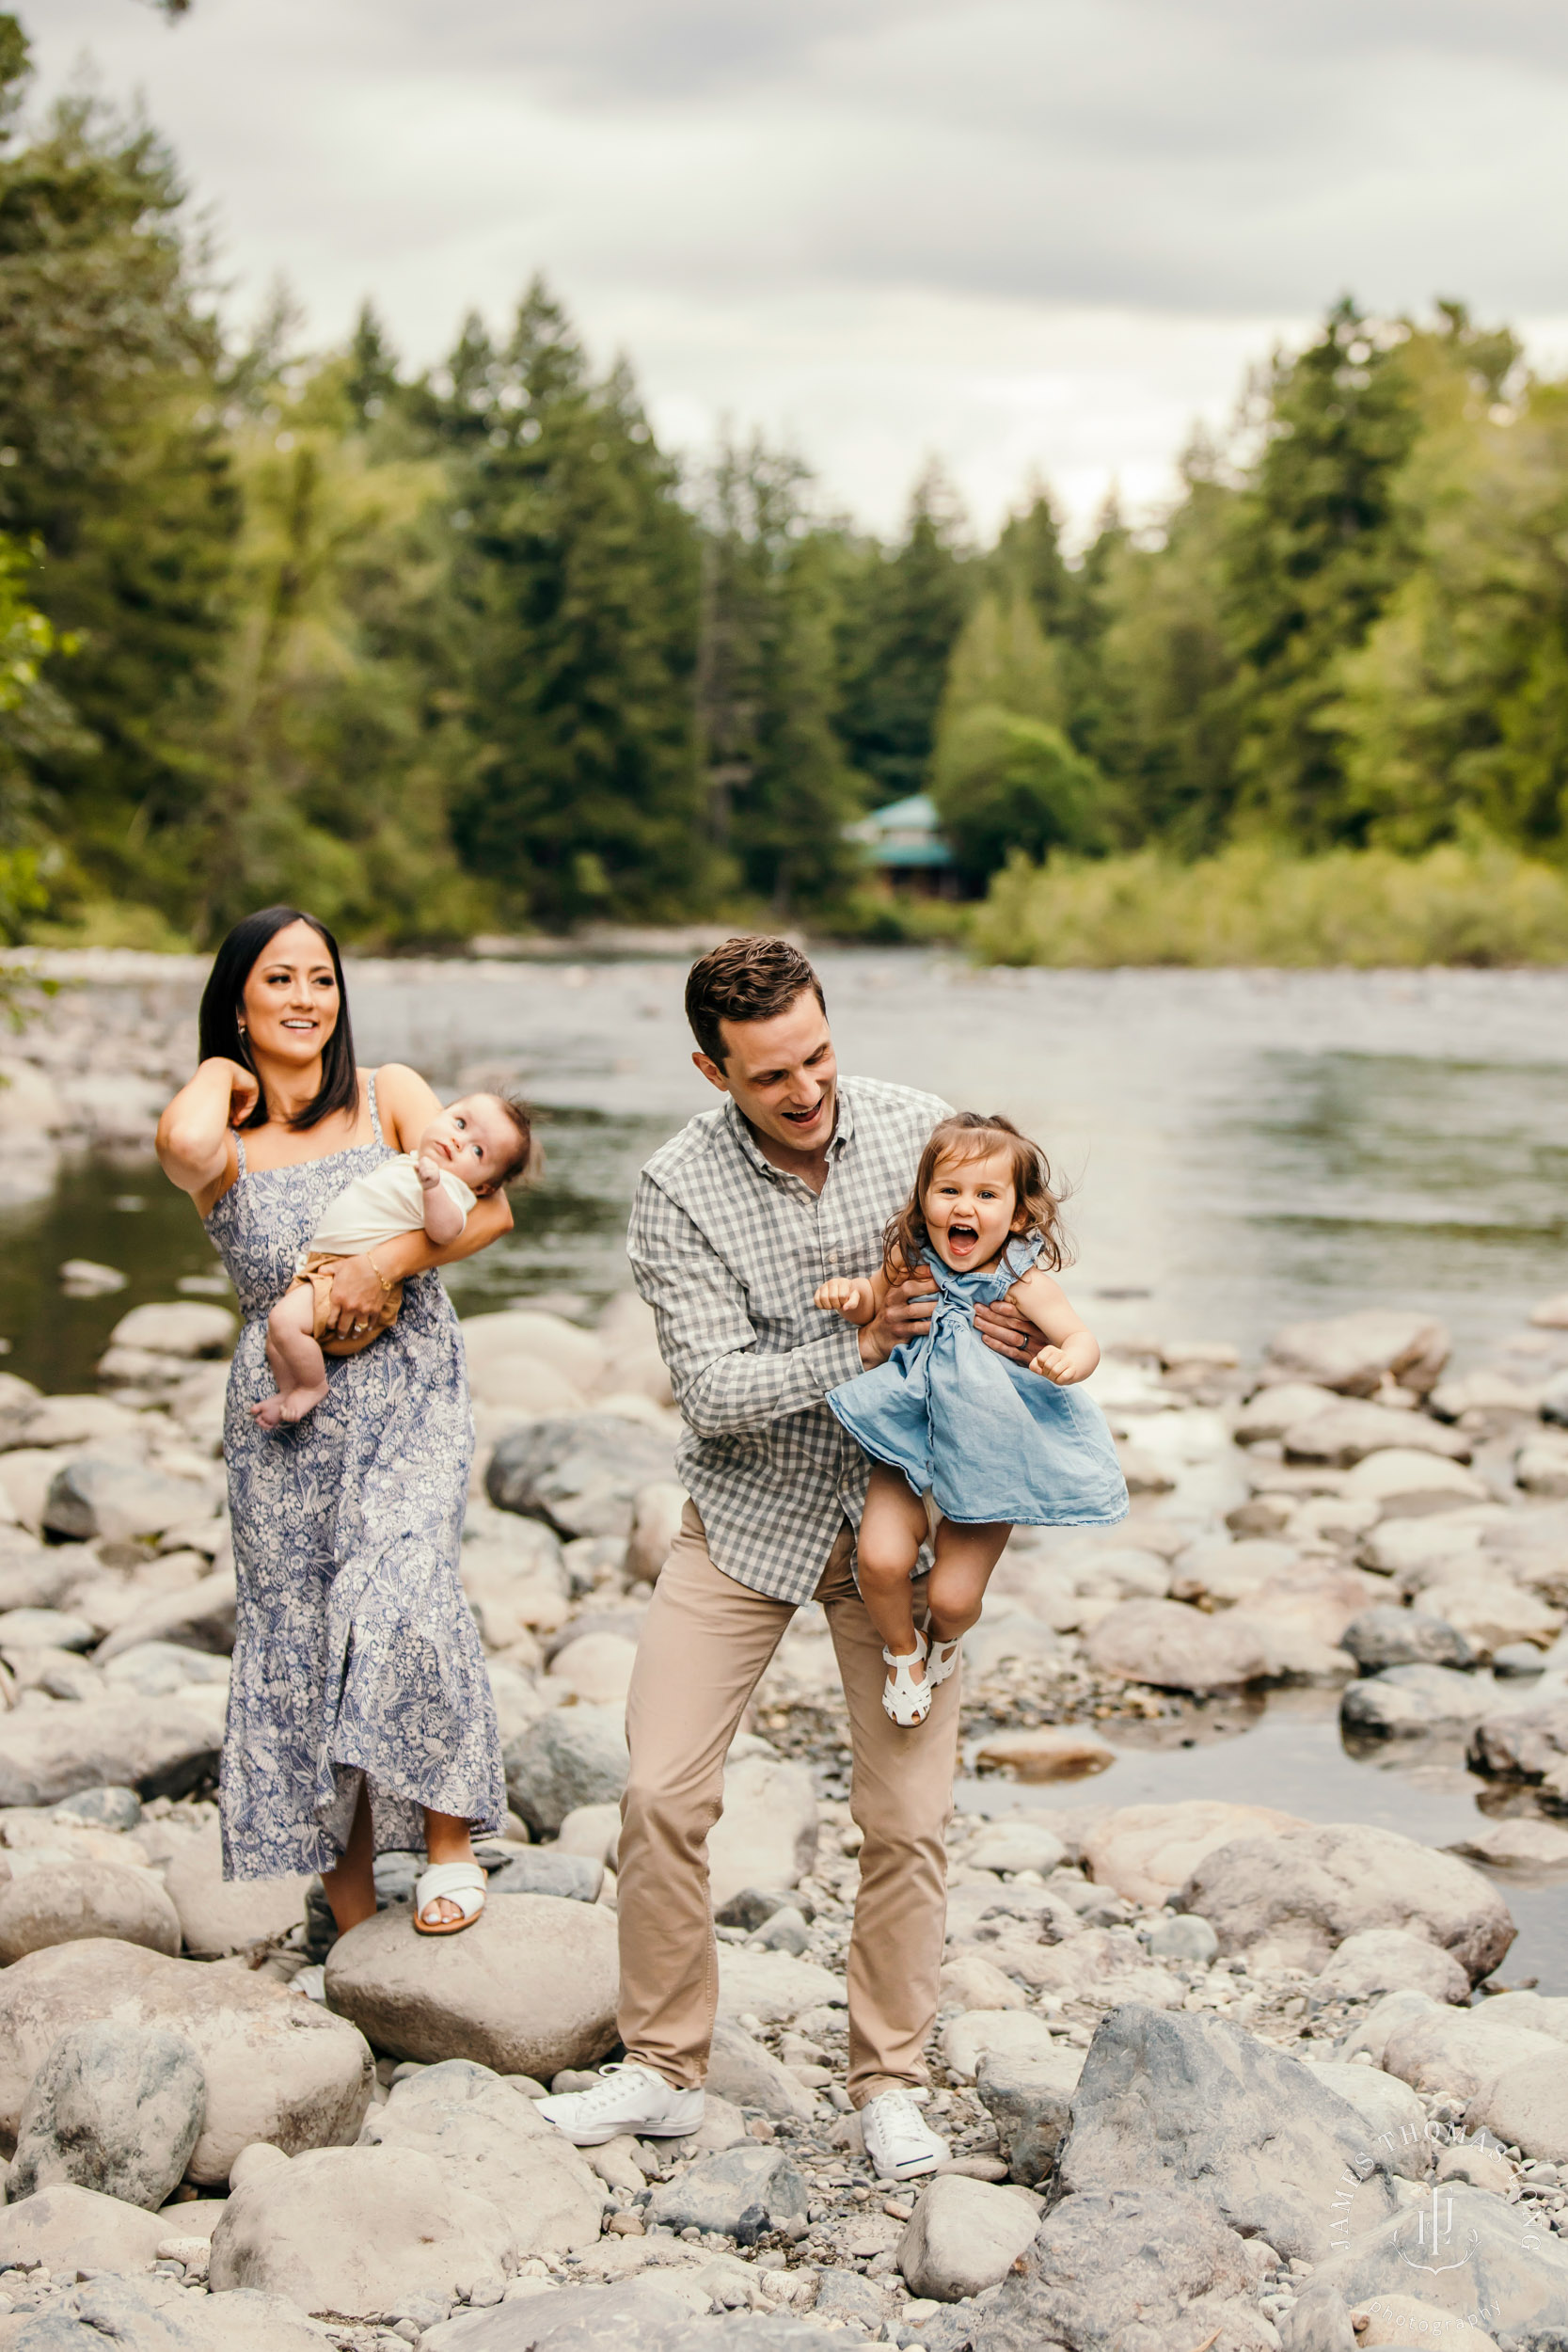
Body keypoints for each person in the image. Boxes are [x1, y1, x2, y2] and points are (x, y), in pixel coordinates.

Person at [536, 935, 1051, 2182]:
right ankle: (661, 2071)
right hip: (745, 1523)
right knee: (660, 1792)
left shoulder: (918, 1131)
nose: (807, 1087)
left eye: (817, 1054)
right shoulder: (674, 1189)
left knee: (907, 1819)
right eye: (771, 1074)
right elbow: (711, 1394)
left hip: (901, 1524)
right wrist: (863, 1341)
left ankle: (887, 2084)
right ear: (712, 1070)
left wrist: (1021, 1343)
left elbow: (1003, 1263)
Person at [156, 906, 509, 1941]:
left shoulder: (390, 1095)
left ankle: (450, 1837)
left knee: (408, 1588)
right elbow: (178, 1139)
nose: (306, 999)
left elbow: (488, 1207)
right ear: (237, 1000)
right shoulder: (220, 1146)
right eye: (278, 980)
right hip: (285, 1421)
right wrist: (223, 1075)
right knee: (311, 1638)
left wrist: (382, 1263)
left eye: (321, 978)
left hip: (408, 1387)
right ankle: (350, 1903)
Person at [816, 1110, 1128, 1724]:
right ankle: (902, 1652)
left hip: (991, 1442)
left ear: (1015, 1215)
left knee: (952, 1598)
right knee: (878, 1560)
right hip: (908, 1433)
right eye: (949, 1190)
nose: (965, 1207)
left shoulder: (1020, 1279)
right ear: (924, 1199)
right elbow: (872, 1304)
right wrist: (854, 1297)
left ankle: (946, 1639)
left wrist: (1070, 1358)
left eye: (986, 1195)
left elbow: (1080, 1337)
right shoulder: (911, 1259)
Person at [253, 1089, 532, 1430]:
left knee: (283, 1323)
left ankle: (313, 1386)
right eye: (459, 1123)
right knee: (276, 1339)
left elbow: (446, 1231)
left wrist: (433, 1188)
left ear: (484, 1188)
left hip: (348, 1282)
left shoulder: (451, 1189)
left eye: (478, 1151)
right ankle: (288, 1392)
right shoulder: (412, 1160)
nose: (459, 1141)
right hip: (324, 1269)